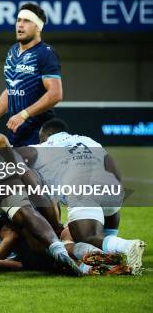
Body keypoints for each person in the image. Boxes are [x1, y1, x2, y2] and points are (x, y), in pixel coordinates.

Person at [18, 118, 146, 275]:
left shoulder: (43, 147)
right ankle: (114, 254)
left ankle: (127, 246)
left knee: (86, 236)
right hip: (112, 190)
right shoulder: (89, 140)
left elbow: (13, 155)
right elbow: (116, 172)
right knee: (102, 233)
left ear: (47, 135)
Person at [0, 3, 62, 147]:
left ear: (38, 27)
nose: (20, 25)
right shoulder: (12, 51)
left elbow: (55, 94)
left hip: (40, 135)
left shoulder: (46, 53)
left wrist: (24, 114)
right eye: (18, 20)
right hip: (17, 133)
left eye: (27, 21)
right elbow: (11, 90)